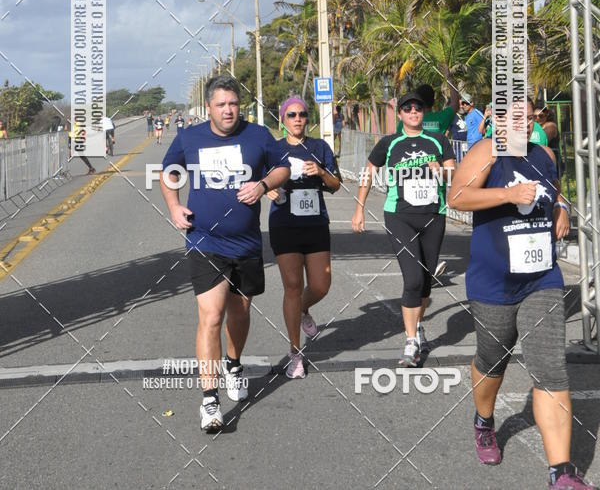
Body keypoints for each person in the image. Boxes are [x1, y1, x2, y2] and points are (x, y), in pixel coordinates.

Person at [448, 99, 596, 489]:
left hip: (542, 279)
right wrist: (508, 195)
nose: (524, 123)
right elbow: (457, 196)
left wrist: (561, 207)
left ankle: (561, 472)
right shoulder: (487, 152)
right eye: (514, 116)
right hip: (493, 282)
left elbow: (553, 190)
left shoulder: (544, 155)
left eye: (528, 117)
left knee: (551, 369)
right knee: (492, 360)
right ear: (497, 120)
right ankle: (484, 421)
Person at [160, 76, 290, 433]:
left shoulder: (258, 135)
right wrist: (174, 206)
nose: (228, 110)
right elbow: (169, 173)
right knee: (212, 315)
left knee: (240, 312)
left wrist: (263, 184)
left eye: (233, 104)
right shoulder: (190, 137)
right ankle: (210, 400)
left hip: (246, 243)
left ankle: (233, 363)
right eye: (221, 105)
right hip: (205, 241)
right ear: (209, 108)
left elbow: (282, 167)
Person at [352, 90, 455, 366]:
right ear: (399, 114)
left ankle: (418, 327)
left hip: (433, 215)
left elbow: (453, 173)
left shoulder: (438, 140)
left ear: (423, 112)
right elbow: (368, 172)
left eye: (417, 108)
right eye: (407, 109)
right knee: (412, 280)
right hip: (400, 217)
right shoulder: (389, 143)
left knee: (425, 281)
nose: (413, 112)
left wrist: (441, 170)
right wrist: (359, 208)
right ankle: (410, 342)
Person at [269, 96, 341, 379]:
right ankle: (295, 354)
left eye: (302, 114)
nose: (298, 119)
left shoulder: (319, 147)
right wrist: (268, 189)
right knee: (292, 286)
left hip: (315, 224)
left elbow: (335, 184)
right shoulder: (273, 149)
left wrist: (321, 172)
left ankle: (301, 309)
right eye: (292, 115)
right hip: (284, 225)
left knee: (321, 285)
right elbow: (261, 180)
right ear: (283, 119)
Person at [535, 106, 563, 178]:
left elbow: (541, 140)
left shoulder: (550, 126)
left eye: (541, 116)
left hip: (551, 162)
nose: (537, 118)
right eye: (534, 116)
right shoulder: (535, 127)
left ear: (546, 115)